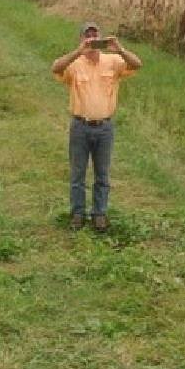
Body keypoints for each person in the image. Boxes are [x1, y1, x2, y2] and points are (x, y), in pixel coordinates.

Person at [51, 21, 143, 232]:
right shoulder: (74, 64)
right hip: (80, 127)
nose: (92, 39)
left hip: (105, 128)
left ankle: (99, 214)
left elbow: (137, 64)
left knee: (102, 175)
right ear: (81, 39)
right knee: (77, 175)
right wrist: (78, 52)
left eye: (95, 35)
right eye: (87, 35)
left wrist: (120, 49)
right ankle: (77, 214)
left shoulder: (113, 61)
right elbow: (55, 68)